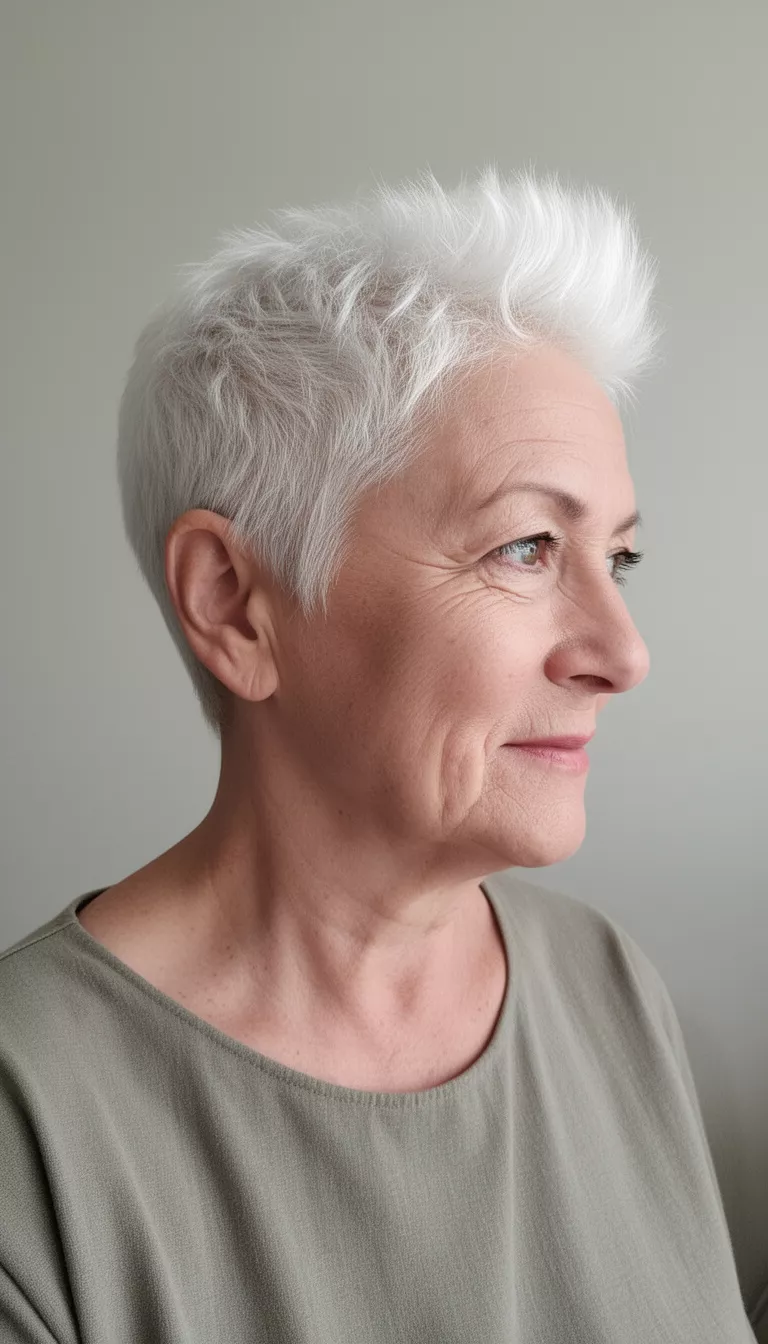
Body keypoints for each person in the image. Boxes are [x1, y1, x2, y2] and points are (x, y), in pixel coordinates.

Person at [0, 165, 757, 1343]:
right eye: (522, 548)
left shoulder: (607, 988)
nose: (623, 652)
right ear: (235, 607)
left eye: (621, 558)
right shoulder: (31, 1129)